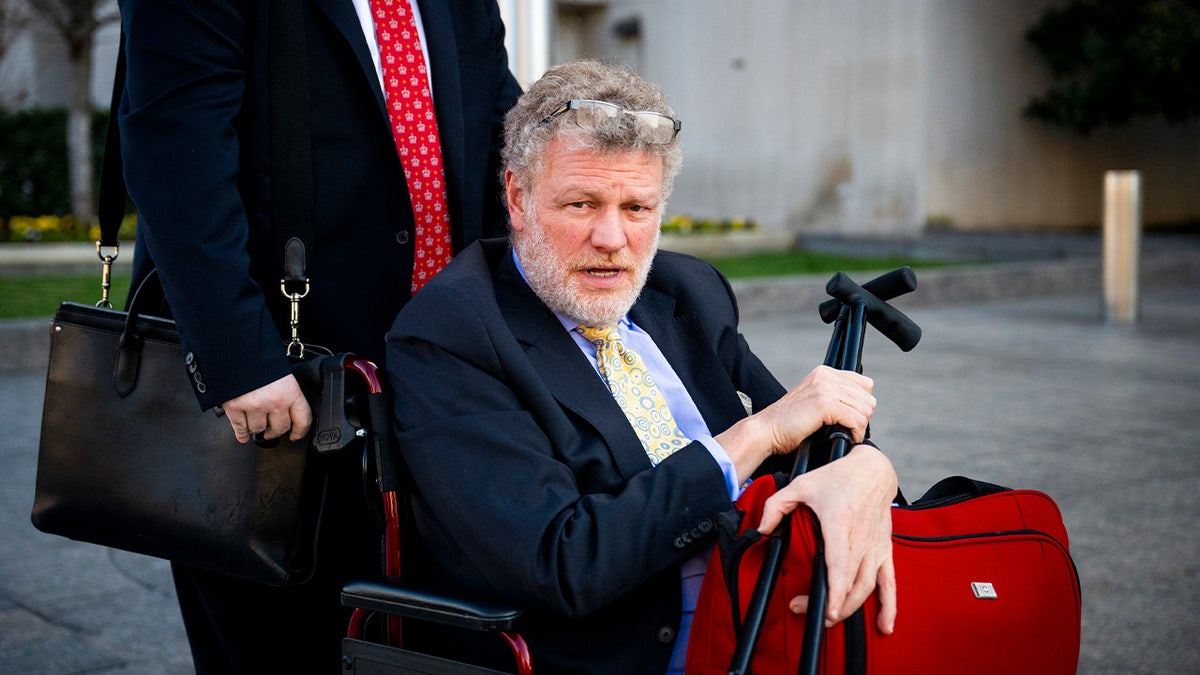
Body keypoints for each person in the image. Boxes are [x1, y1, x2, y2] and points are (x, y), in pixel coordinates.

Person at [385, 58, 897, 674]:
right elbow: (562, 563)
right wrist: (752, 437)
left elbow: (817, 435)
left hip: (769, 622)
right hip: (624, 653)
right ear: (518, 198)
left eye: (637, 208)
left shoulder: (686, 291)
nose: (612, 237)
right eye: (581, 204)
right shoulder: (453, 334)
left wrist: (872, 470)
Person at [115, 0, 521, 671]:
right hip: (280, 399)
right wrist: (240, 357)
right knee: (282, 644)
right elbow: (175, 157)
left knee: (421, 643)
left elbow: (503, 136)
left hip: (441, 383)